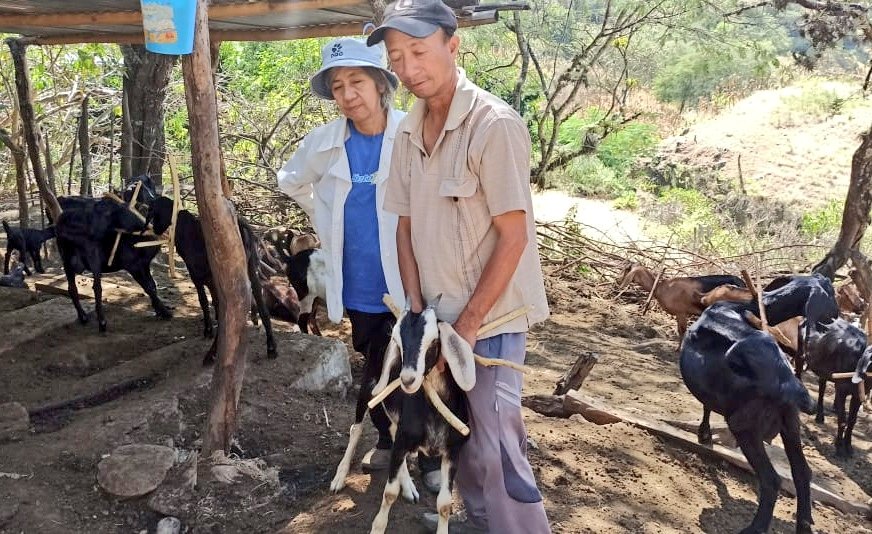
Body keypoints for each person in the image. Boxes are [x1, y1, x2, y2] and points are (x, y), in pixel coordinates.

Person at [367, 1, 552, 532]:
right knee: (456, 439)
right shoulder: (407, 131)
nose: (408, 68)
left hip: (487, 323)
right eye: (397, 57)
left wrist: (465, 329)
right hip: (434, 322)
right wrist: (417, 316)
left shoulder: (494, 125)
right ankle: (480, 522)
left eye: (419, 51)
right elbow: (403, 227)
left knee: (497, 447)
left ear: (453, 45)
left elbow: (515, 236)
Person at [277, 37, 405, 472]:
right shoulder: (324, 142)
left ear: (381, 85)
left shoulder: (410, 131)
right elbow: (291, 181)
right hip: (359, 279)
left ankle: (424, 455)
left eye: (357, 82)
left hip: (412, 277)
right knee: (373, 362)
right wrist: (324, 213)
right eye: (337, 87)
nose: (348, 95)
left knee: (418, 363)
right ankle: (387, 441)